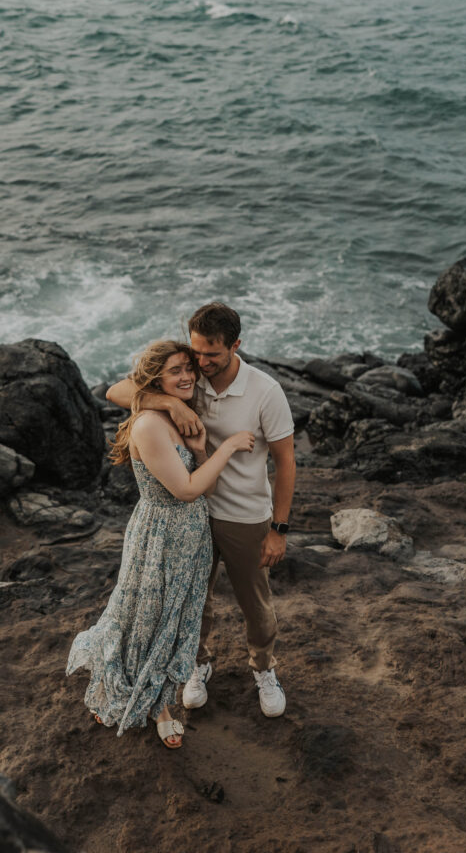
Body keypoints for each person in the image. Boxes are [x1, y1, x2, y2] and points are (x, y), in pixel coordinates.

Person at [106, 303, 296, 718]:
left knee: (256, 605)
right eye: (196, 353)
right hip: (194, 517)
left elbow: (286, 462)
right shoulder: (190, 380)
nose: (201, 363)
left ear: (236, 346)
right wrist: (170, 404)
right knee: (196, 603)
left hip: (246, 517)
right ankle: (198, 665)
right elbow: (117, 391)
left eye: (212, 354)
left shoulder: (266, 392)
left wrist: (279, 528)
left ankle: (264, 670)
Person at [66, 339, 254, 749]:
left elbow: (206, 486)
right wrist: (227, 446)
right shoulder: (150, 424)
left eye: (190, 367)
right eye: (175, 370)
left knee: (174, 623)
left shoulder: (178, 412)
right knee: (145, 619)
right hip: (160, 537)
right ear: (156, 378)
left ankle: (160, 700)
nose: (188, 375)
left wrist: (203, 449)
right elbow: (186, 490)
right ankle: (146, 702)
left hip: (191, 536)